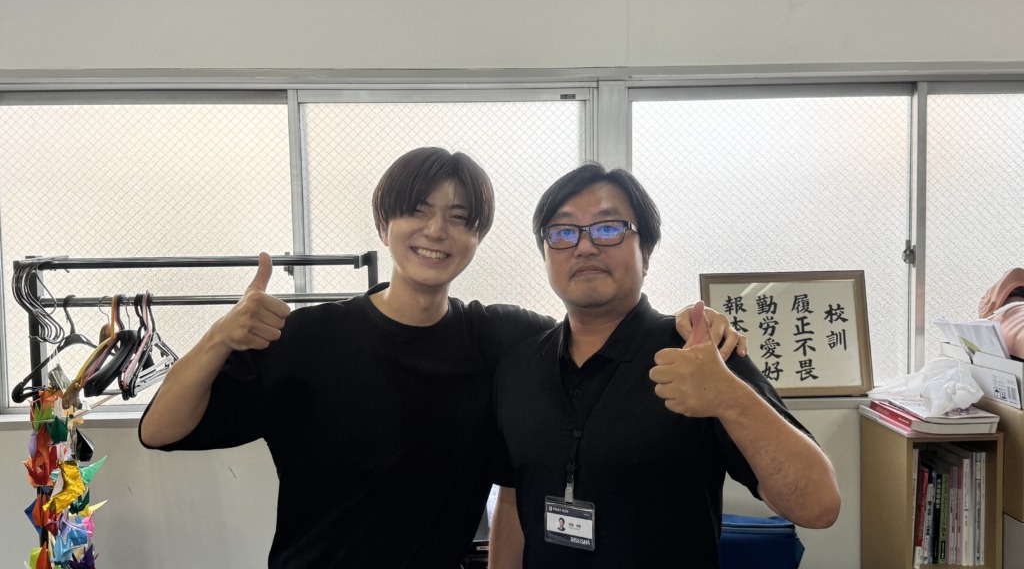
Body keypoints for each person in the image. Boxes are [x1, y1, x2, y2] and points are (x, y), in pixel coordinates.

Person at [138, 147, 745, 568]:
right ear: (384, 224)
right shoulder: (309, 337)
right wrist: (218, 337)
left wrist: (688, 324)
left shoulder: (499, 337)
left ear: (476, 237)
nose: (437, 231)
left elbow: (596, 326)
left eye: (460, 218)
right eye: (418, 210)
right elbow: (160, 430)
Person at [488, 163, 841, 569]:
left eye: (608, 228)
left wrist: (730, 398)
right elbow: (513, 498)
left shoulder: (699, 355)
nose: (584, 247)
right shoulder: (518, 368)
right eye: (563, 232)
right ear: (546, 254)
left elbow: (818, 506)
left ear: (646, 253)